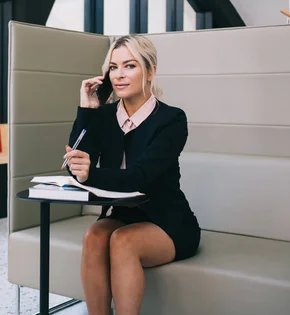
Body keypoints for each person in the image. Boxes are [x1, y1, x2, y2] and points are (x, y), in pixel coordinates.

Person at [62, 34, 201, 315]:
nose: (119, 75)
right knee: (94, 236)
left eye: (130, 66)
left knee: (123, 241)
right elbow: (75, 166)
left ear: (150, 71)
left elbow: (140, 177)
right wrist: (87, 110)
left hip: (169, 222)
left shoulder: (172, 120)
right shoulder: (103, 116)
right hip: (123, 215)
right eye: (113, 68)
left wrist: (91, 175)